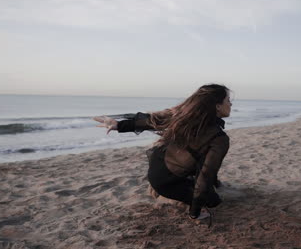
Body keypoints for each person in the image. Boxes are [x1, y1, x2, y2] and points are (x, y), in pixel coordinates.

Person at [93, 84, 232, 220]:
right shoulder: (219, 139)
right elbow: (205, 177)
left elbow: (154, 119)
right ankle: (164, 194)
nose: (230, 104)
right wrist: (195, 212)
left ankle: (179, 186)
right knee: (213, 201)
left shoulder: (186, 117)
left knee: (201, 162)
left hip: (158, 165)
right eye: (228, 101)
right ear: (217, 106)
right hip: (166, 183)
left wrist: (118, 125)